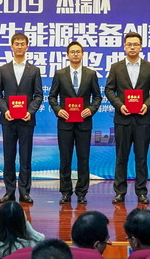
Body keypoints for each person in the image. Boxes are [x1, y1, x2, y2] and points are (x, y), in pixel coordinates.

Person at [105, 32, 150, 204]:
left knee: (141, 158)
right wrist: (119, 105)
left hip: (142, 120)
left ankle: (141, 192)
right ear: (124, 46)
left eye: (135, 44)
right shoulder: (116, 67)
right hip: (122, 119)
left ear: (141, 47)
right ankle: (120, 192)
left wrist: (147, 105)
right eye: (129, 44)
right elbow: (109, 90)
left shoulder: (149, 67)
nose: (132, 47)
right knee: (121, 157)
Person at [49, 41, 101, 205]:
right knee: (65, 159)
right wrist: (58, 110)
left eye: (78, 51)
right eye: (72, 52)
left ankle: (81, 192)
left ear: (83, 54)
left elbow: (97, 97)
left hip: (84, 123)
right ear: (67, 55)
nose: (75, 54)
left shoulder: (91, 74)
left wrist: (91, 109)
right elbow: (52, 97)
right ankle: (65, 192)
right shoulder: (60, 74)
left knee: (83, 159)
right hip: (65, 123)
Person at [0, 33, 43, 204]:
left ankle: (24, 192)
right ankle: (9, 191)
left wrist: (30, 111)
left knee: (25, 156)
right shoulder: (3, 69)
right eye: (17, 44)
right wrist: (5, 110)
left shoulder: (34, 70)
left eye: (22, 44)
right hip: (8, 119)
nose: (19, 46)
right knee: (8, 157)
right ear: (12, 46)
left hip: (26, 120)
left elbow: (38, 95)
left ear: (27, 47)